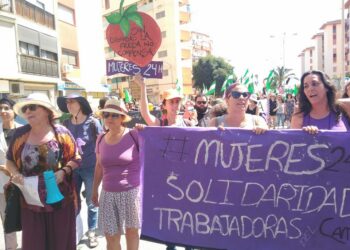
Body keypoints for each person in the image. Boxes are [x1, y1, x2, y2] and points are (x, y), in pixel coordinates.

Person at [5, 93, 81, 250]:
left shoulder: (61, 132)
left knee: (60, 243)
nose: (27, 111)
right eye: (25, 108)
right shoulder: (20, 134)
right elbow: (10, 160)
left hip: (60, 201)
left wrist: (64, 171)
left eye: (32, 107)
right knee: (35, 244)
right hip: (31, 202)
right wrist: (15, 174)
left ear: (47, 110)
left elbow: (76, 158)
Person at [133, 75, 196, 250]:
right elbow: (145, 114)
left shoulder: (190, 125)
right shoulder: (160, 124)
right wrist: (143, 87)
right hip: (166, 180)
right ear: (164, 105)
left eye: (177, 101)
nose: (175, 105)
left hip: (187, 180)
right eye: (171, 102)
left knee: (187, 216)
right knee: (170, 218)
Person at [92, 99, 141, 250]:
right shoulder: (100, 138)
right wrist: (94, 190)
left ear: (122, 118)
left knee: (132, 233)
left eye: (114, 115)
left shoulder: (135, 135)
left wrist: (146, 130)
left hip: (131, 193)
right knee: (111, 237)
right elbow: (99, 166)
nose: (109, 118)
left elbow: (158, 143)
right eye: (106, 115)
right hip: (108, 195)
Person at [57, 94, 103, 248]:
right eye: (67, 102)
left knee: (91, 202)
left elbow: (102, 145)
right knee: (73, 201)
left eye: (72, 102)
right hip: (72, 170)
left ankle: (91, 232)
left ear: (81, 104)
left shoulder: (93, 123)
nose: (69, 105)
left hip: (91, 168)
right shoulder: (65, 123)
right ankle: (74, 232)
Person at [0, 98, 21, 250]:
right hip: (2, 184)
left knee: (28, 218)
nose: (3, 112)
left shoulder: (24, 131)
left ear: (14, 111)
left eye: (6, 108)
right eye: (0, 109)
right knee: (8, 220)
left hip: (24, 183)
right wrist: (3, 168)